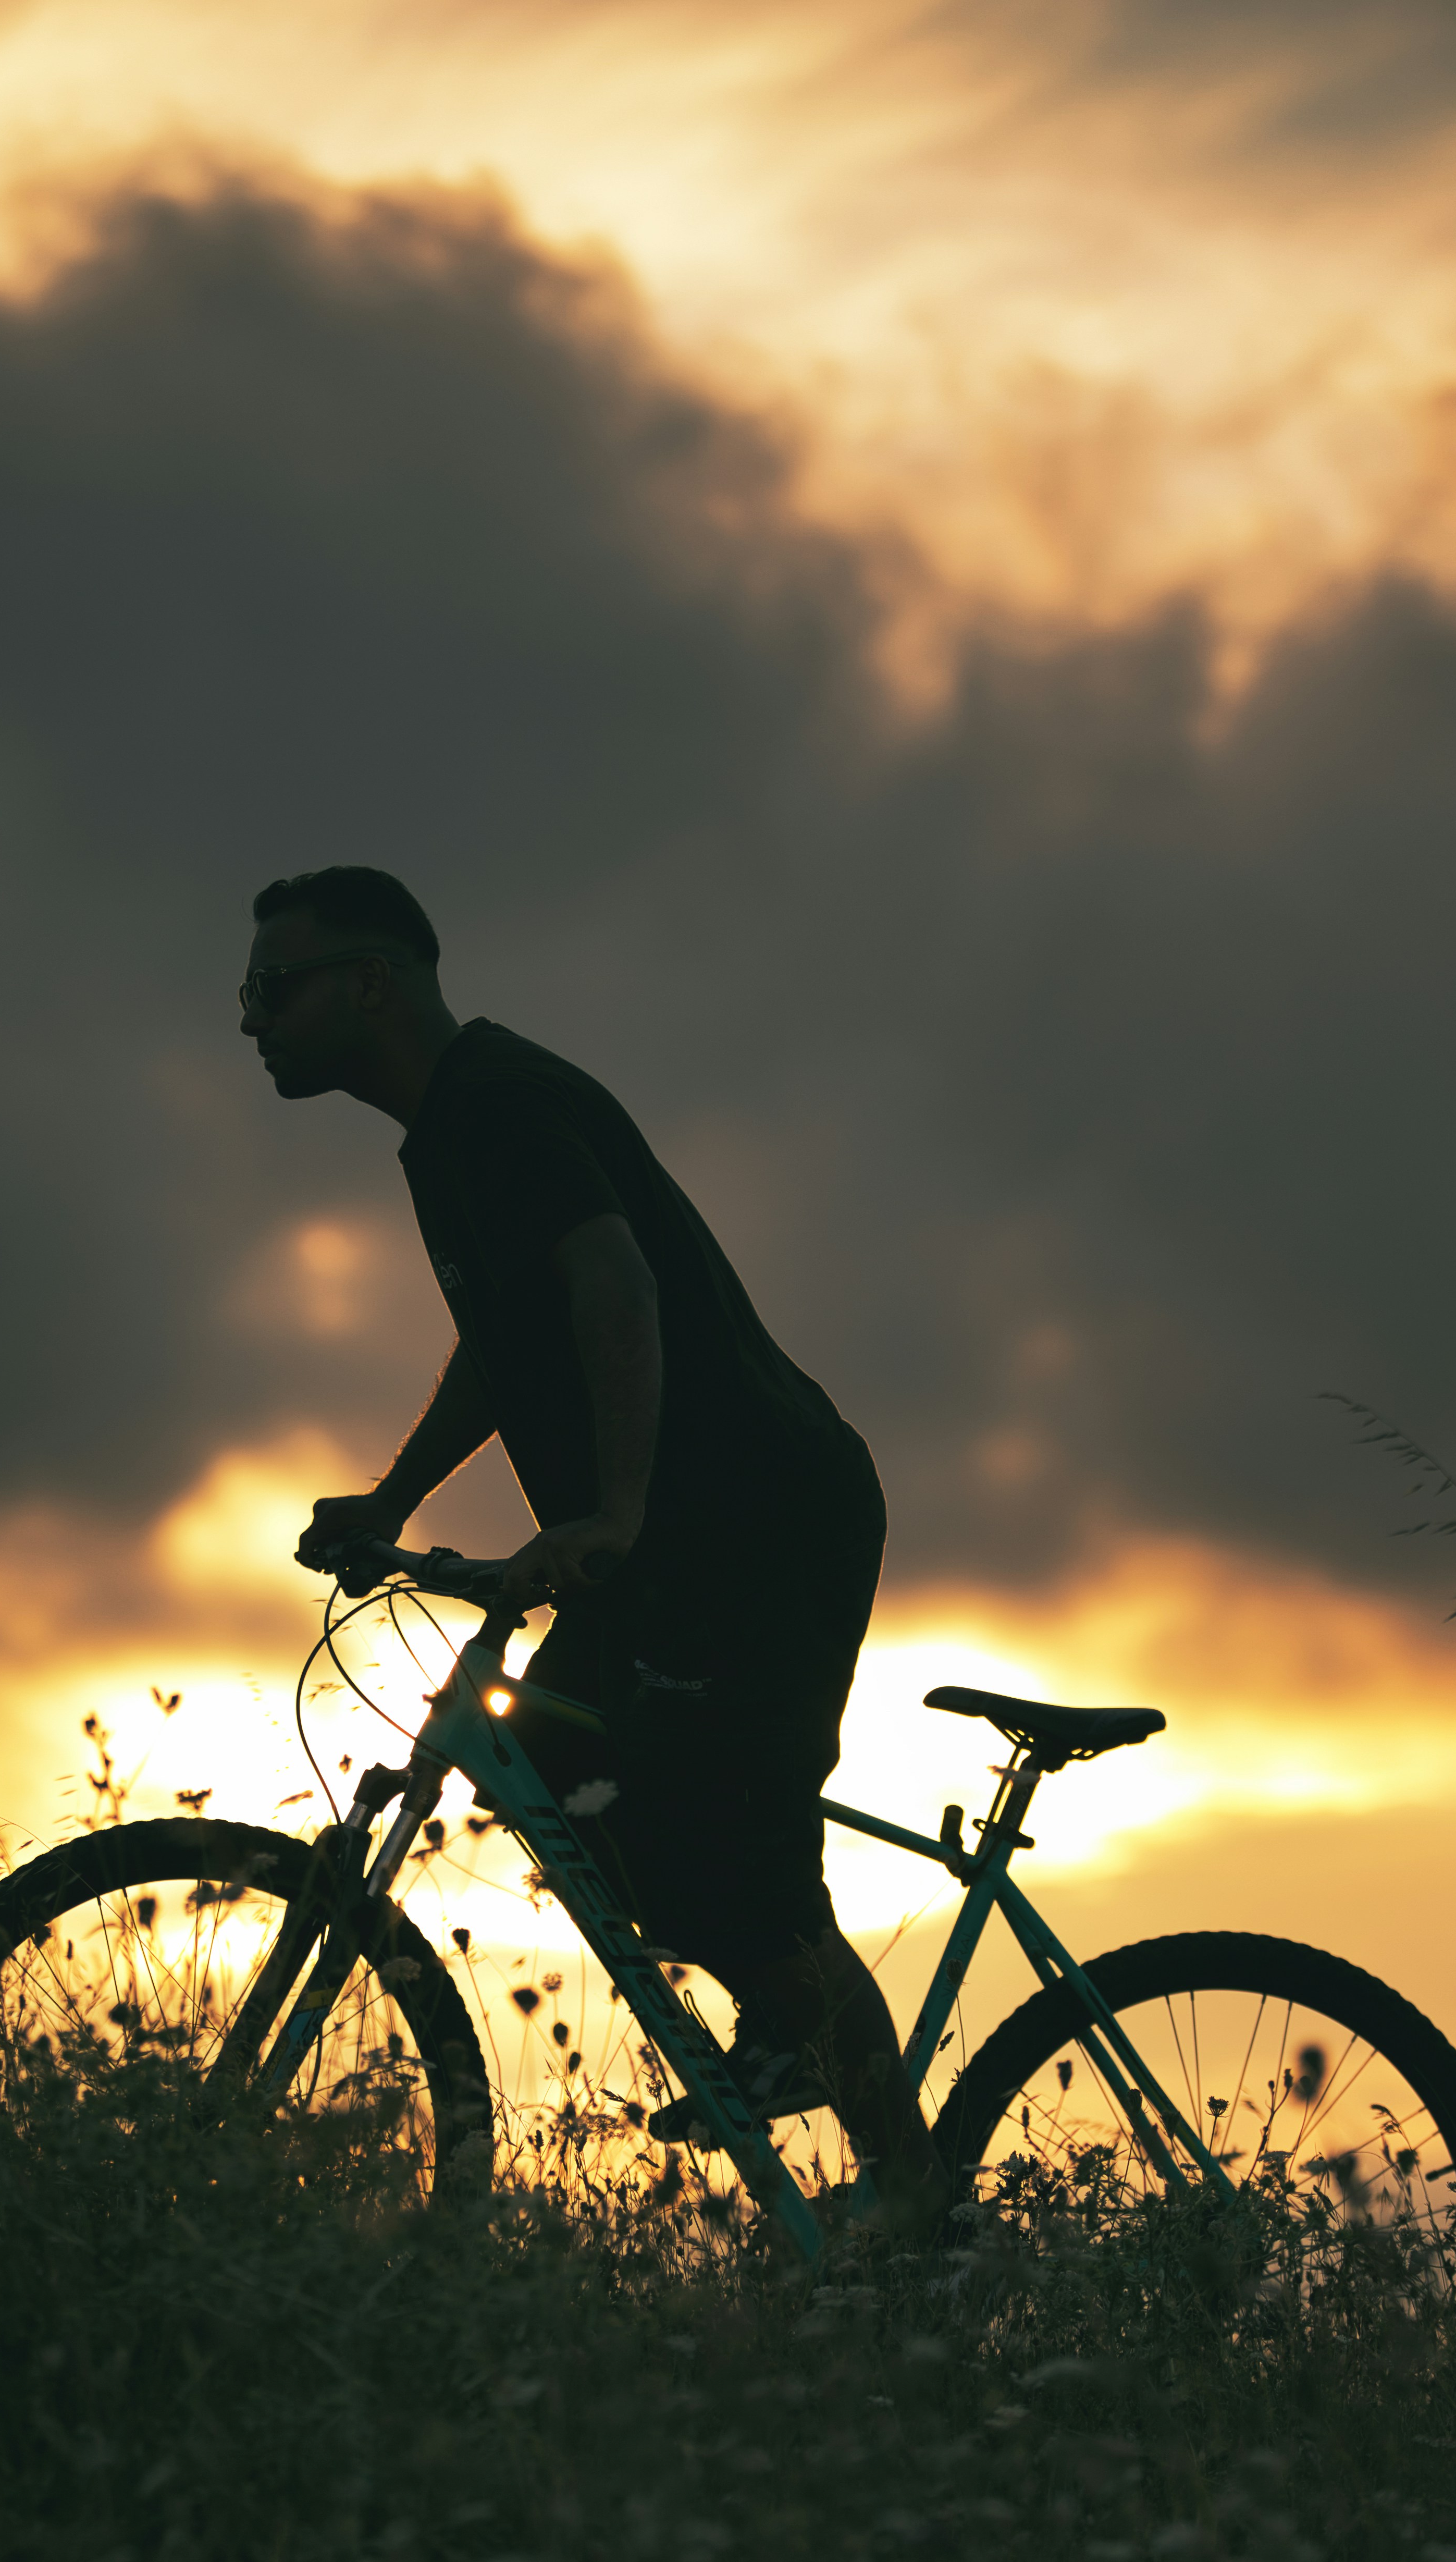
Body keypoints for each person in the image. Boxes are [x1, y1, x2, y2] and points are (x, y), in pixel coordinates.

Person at [242, 862, 945, 2232]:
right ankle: (787, 2027)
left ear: (366, 984)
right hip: (664, 1548)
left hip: (755, 1520)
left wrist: (610, 1513)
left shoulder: (501, 1105)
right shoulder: (445, 1132)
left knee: (731, 1860)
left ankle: (922, 2211)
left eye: (274, 990)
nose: (251, 1021)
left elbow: (610, 1277)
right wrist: (393, 1503)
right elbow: (514, 1348)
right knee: (558, 1778)